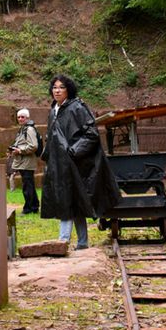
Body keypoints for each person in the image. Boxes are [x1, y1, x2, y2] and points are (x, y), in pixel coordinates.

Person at [41, 74, 120, 249]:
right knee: (71, 201)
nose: (57, 90)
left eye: (61, 87)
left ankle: (63, 241)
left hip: (75, 164)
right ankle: (82, 242)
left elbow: (91, 134)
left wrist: (74, 152)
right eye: (54, 87)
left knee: (70, 201)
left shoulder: (77, 108)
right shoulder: (54, 110)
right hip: (59, 165)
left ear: (68, 89)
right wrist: (48, 156)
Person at [9, 108, 41, 214]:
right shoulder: (22, 129)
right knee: (29, 184)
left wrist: (20, 150)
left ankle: (28, 208)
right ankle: (34, 206)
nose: (20, 119)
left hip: (27, 162)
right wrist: (14, 149)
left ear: (28, 117)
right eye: (18, 117)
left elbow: (34, 146)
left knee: (27, 186)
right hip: (23, 162)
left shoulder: (29, 130)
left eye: (22, 117)